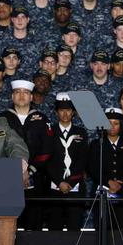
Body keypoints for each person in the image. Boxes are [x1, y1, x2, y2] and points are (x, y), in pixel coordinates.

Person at [0, 79, 54, 230]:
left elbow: (47, 149)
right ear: (12, 97)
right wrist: (15, 171)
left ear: (32, 97)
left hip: (35, 179)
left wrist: (29, 171)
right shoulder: (1, 118)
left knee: (34, 222)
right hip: (8, 178)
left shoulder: (42, 119)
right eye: (17, 92)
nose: (22, 96)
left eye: (26, 93)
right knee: (9, 224)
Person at [45, 92, 88, 231]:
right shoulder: (49, 131)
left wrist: (69, 182)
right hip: (54, 186)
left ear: (73, 112)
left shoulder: (81, 132)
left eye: (68, 110)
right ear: (57, 112)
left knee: (74, 227)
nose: (65, 113)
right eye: (61, 110)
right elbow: (47, 160)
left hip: (74, 186)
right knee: (54, 227)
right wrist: (59, 182)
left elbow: (82, 160)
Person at [88, 107, 123, 229]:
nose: (112, 126)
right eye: (109, 123)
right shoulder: (96, 144)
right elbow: (92, 168)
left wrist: (120, 183)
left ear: (121, 125)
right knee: (102, 230)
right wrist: (108, 182)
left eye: (116, 123)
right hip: (102, 192)